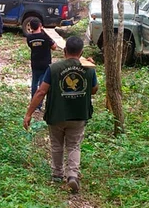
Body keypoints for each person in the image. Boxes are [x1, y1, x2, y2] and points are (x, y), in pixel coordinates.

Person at [23, 36, 98, 194]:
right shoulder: (89, 68)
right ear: (81, 52)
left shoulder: (54, 68)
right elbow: (93, 90)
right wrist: (90, 67)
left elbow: (41, 91)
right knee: (74, 145)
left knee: (57, 145)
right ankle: (72, 175)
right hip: (79, 114)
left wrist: (29, 113)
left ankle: (57, 174)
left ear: (64, 51)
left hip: (57, 114)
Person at [26, 18, 57, 112]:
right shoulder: (45, 37)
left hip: (35, 63)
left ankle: (34, 103)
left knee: (34, 83)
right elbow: (54, 47)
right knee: (42, 85)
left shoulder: (29, 38)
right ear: (40, 25)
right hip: (45, 64)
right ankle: (39, 105)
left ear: (31, 27)